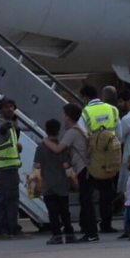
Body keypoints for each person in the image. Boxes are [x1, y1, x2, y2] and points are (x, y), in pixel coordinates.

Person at [43, 103, 93, 242]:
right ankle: (90, 231)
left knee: (86, 202)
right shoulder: (81, 129)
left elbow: (58, 148)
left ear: (69, 117)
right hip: (86, 168)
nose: (64, 117)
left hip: (83, 169)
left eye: (65, 115)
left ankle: (91, 232)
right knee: (85, 201)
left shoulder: (71, 132)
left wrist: (45, 140)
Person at [77, 84, 119, 234]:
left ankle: (86, 223)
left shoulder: (86, 112)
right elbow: (118, 131)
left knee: (87, 193)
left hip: (94, 157)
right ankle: (106, 224)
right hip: (109, 155)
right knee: (107, 193)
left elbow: (81, 134)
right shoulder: (113, 110)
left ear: (86, 97)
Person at [0, 98, 30, 240]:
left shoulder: (8, 124)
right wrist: (10, 125)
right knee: (11, 200)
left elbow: (9, 141)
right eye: (7, 107)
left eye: (12, 107)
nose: (10, 109)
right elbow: (2, 130)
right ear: (0, 109)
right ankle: (13, 230)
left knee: (4, 200)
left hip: (6, 167)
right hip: (6, 167)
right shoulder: (0, 123)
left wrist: (16, 128)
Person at [32, 118, 74, 245]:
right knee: (65, 211)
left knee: (53, 212)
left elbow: (37, 165)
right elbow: (67, 165)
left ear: (46, 130)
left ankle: (56, 235)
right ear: (58, 131)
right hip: (62, 183)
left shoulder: (41, 148)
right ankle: (69, 234)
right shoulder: (63, 147)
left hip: (48, 184)